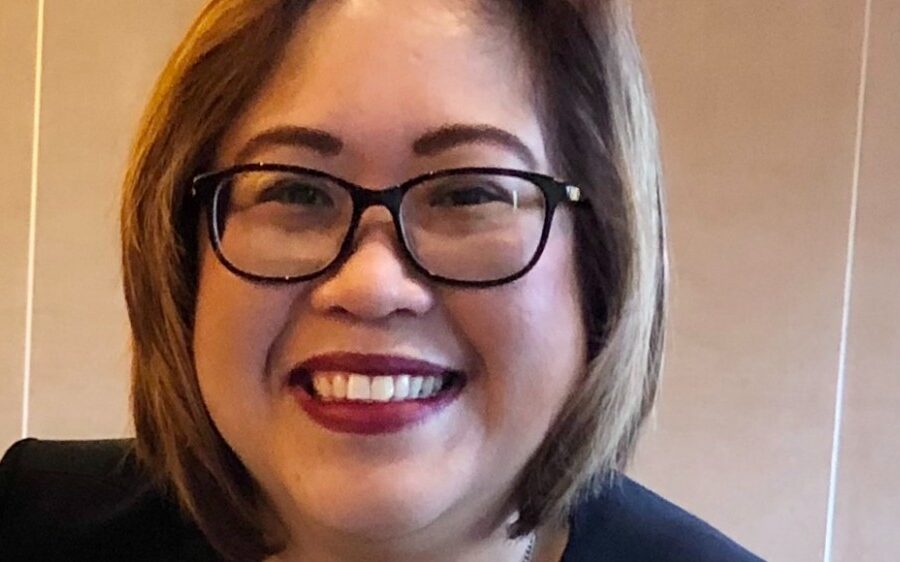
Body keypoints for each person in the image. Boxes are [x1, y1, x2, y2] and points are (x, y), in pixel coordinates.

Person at [0, 1, 763, 561]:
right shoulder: (32, 526)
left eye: (468, 193)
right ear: (180, 255)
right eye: (295, 190)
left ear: (602, 261)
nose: (370, 285)